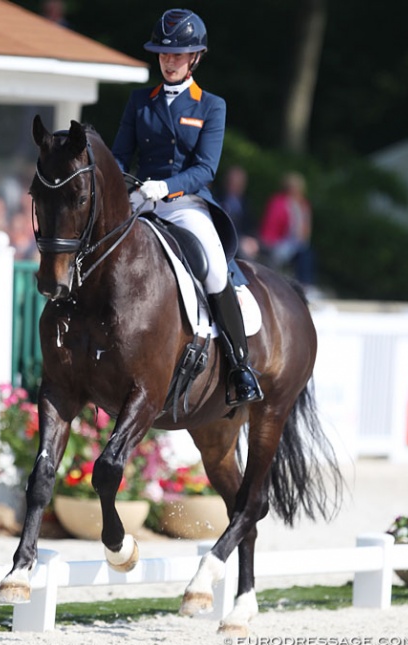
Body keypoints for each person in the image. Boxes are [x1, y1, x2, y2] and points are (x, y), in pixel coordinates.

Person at [112, 8, 262, 404]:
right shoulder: (139, 101)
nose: (169, 60)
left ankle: (239, 365)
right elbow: (118, 156)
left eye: (178, 54)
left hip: (184, 203)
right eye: (163, 54)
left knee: (213, 270)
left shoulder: (211, 105)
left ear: (195, 57)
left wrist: (166, 185)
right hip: (141, 201)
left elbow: (206, 168)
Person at [258, 172, 315, 287]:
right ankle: (304, 284)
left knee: (307, 253)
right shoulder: (278, 203)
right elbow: (271, 226)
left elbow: (305, 231)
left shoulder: (303, 205)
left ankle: (306, 284)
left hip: (295, 244)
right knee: (304, 254)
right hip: (278, 242)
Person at [218, 166, 260, 260]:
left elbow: (251, 225)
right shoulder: (217, 199)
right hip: (225, 239)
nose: (236, 186)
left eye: (239, 183)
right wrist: (240, 240)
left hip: (243, 240)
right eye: (233, 182)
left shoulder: (246, 204)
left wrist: (252, 240)